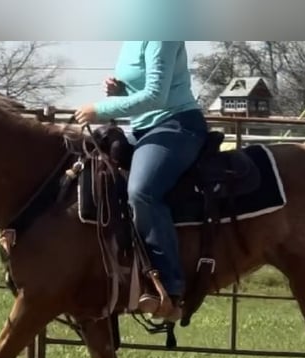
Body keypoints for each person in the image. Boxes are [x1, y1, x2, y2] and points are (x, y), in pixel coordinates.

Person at [74, 41, 208, 321]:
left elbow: (156, 97)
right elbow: (142, 92)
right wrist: (120, 91)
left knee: (142, 192)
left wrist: (100, 109)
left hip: (176, 125)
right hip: (140, 128)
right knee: (91, 171)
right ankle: (108, 273)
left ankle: (170, 288)